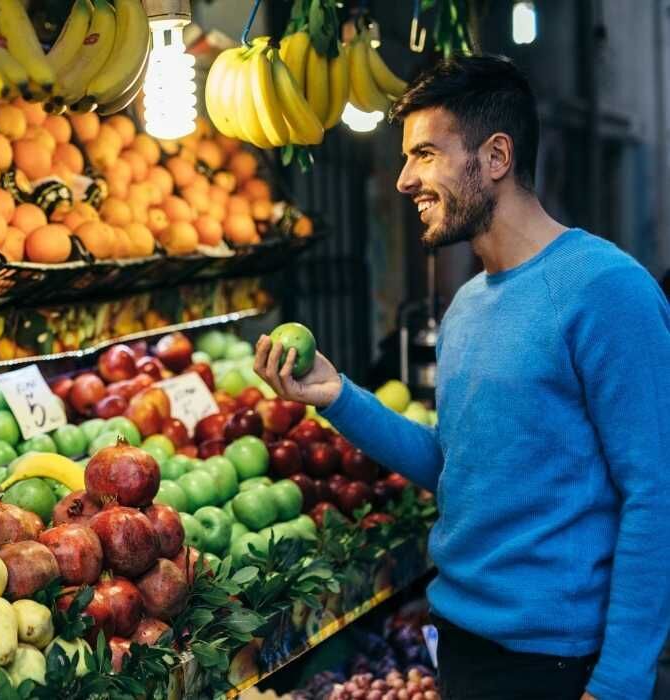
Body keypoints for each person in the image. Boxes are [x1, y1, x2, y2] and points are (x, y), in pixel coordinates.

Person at [253, 55, 670, 700]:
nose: (402, 180)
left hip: (561, 665)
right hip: (462, 643)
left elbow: (656, 493)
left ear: (496, 156)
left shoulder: (607, 291)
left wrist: (619, 683)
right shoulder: (468, 307)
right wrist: (336, 396)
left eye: (424, 154)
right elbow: (457, 466)